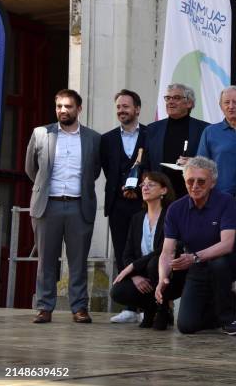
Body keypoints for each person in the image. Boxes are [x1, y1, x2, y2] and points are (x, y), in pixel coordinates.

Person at [25, 89, 101, 324]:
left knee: (78, 261)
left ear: (79, 109)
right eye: (59, 106)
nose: (63, 111)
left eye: (68, 106)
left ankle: (79, 307)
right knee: (46, 260)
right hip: (48, 205)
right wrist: (45, 188)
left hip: (79, 205)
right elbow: (31, 169)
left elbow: (94, 171)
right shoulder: (41, 134)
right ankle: (44, 307)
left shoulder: (93, 138)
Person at [156, 156, 236, 335]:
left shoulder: (226, 201)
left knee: (218, 264)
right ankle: (215, 313)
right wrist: (162, 278)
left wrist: (194, 257)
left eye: (201, 181)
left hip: (229, 261)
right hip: (197, 265)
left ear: (212, 183)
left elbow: (227, 244)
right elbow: (167, 251)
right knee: (186, 326)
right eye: (190, 181)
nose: (195, 186)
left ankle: (229, 318)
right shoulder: (175, 209)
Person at [110, 172, 185, 330]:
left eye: (151, 184)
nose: (145, 188)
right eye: (143, 184)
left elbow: (163, 250)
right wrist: (135, 275)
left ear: (163, 190)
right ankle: (150, 308)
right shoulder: (137, 218)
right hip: (144, 275)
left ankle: (163, 310)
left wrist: (133, 266)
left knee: (154, 263)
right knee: (118, 291)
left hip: (170, 276)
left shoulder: (170, 216)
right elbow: (127, 254)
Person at [101, 89, 147, 323]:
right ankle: (129, 307)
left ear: (137, 109)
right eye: (119, 107)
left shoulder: (150, 134)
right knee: (122, 252)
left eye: (126, 106)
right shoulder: (106, 139)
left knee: (144, 252)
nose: (122, 110)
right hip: (118, 206)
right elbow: (108, 171)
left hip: (144, 205)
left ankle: (148, 306)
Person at [145, 83, 209, 198]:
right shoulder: (152, 129)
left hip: (192, 193)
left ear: (189, 103)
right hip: (160, 195)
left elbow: (212, 163)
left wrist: (194, 163)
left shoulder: (205, 129)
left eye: (176, 98)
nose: (170, 101)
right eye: (168, 98)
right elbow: (146, 163)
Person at [196, 86, 236, 199]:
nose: (231, 106)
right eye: (226, 102)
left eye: (235, 102)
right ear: (221, 106)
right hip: (219, 197)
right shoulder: (210, 132)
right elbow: (201, 166)